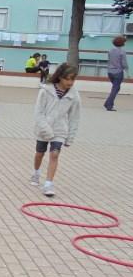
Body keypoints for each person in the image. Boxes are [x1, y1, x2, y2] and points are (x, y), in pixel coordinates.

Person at [31, 63, 81, 197]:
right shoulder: (46, 90)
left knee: (55, 154)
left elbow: (74, 117)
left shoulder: (74, 95)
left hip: (60, 130)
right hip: (44, 128)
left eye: (73, 79)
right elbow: (38, 113)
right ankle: (36, 172)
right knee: (39, 153)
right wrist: (46, 129)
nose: (70, 82)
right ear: (60, 77)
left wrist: (70, 136)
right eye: (67, 79)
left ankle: (48, 184)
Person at [105, 36, 129, 111]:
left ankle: (108, 103)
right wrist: (127, 72)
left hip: (110, 72)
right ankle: (109, 105)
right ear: (122, 43)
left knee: (116, 88)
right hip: (118, 73)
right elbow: (124, 63)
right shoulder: (122, 52)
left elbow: (109, 61)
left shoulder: (110, 50)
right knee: (115, 88)